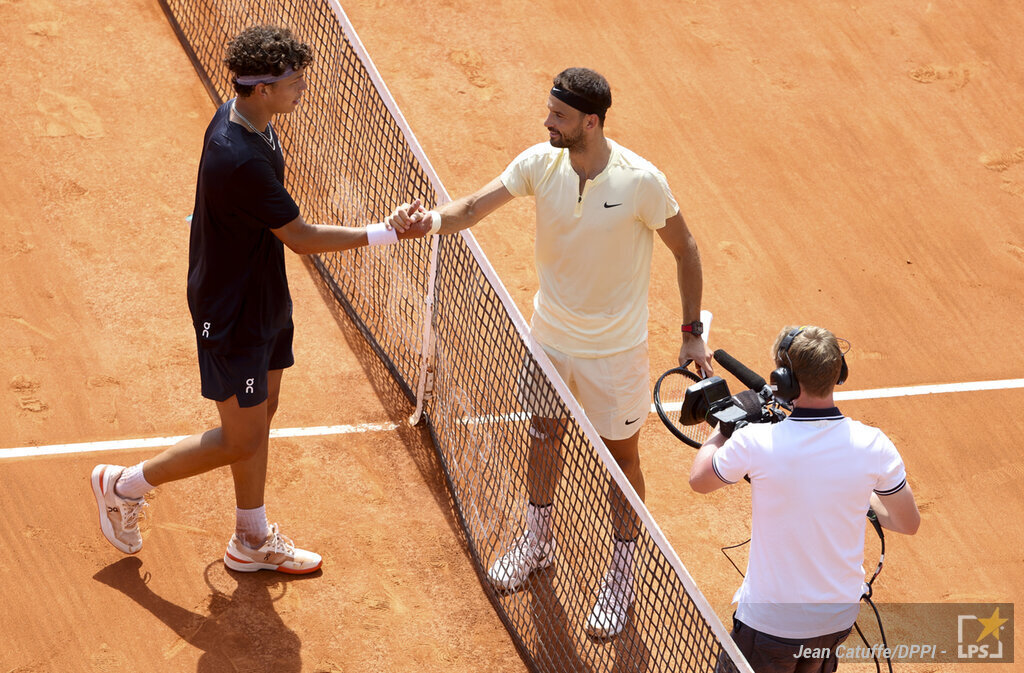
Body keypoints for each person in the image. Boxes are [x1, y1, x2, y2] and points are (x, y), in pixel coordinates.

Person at [91, 25, 430, 574]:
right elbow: (301, 237)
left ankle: (250, 538)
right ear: (263, 87)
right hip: (230, 310)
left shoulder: (251, 119)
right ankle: (125, 485)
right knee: (240, 437)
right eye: (295, 82)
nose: (303, 89)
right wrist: (387, 232)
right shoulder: (240, 156)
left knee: (262, 413)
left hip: (262, 292)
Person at [397, 67, 713, 637]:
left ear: (590, 122)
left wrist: (691, 329)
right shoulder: (540, 163)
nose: (547, 121)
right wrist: (430, 221)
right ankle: (538, 541)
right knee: (543, 435)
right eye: (549, 111)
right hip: (547, 341)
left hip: (614, 354)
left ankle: (622, 575)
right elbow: (471, 209)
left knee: (621, 461)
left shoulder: (640, 181)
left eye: (559, 116)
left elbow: (685, 247)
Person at [689, 325, 921, 673]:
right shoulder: (874, 445)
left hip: (770, 627)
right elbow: (907, 522)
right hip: (835, 622)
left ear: (783, 381)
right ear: (838, 373)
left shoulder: (756, 442)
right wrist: (855, 494)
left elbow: (699, 480)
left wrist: (723, 427)